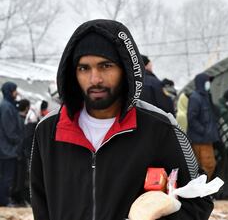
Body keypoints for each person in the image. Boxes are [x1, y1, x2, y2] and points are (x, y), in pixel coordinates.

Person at [30, 19, 213, 220]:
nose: (95, 79)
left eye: (105, 66)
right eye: (84, 68)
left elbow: (198, 201)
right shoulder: (49, 130)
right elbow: (41, 205)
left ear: (125, 69)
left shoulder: (160, 128)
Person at [187, 73, 220, 180]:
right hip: (200, 140)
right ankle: (201, 190)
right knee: (208, 165)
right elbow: (192, 118)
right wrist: (204, 131)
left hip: (206, 139)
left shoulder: (205, 97)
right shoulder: (195, 98)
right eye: (207, 82)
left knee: (206, 165)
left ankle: (202, 191)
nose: (209, 84)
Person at [0, 81, 23, 206]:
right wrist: (18, 141)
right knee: (7, 177)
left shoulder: (8, 105)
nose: (16, 93)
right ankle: (3, 201)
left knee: (7, 176)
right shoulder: (6, 107)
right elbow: (9, 130)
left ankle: (4, 199)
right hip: (7, 149)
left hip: (8, 148)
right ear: (9, 91)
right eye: (14, 90)